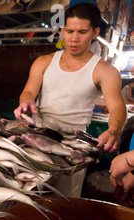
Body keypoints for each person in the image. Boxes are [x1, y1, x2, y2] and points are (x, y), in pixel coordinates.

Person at [13, 2, 127, 197]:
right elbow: (28, 92)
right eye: (70, 31)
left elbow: (117, 107)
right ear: (63, 31)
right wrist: (26, 101)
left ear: (94, 32)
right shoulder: (44, 62)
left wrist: (114, 129)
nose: (74, 38)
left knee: (63, 202)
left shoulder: (105, 71)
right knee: (25, 194)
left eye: (82, 32)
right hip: (35, 137)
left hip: (72, 147)